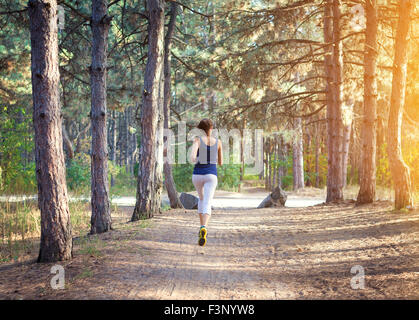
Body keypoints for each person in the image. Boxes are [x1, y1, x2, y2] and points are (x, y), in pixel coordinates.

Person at [190, 119, 223, 246]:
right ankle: (204, 227)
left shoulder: (197, 141)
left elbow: (193, 158)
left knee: (201, 199)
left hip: (197, 175)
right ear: (211, 128)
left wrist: (200, 157)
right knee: (208, 202)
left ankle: (201, 227)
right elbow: (220, 163)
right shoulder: (218, 142)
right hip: (211, 175)